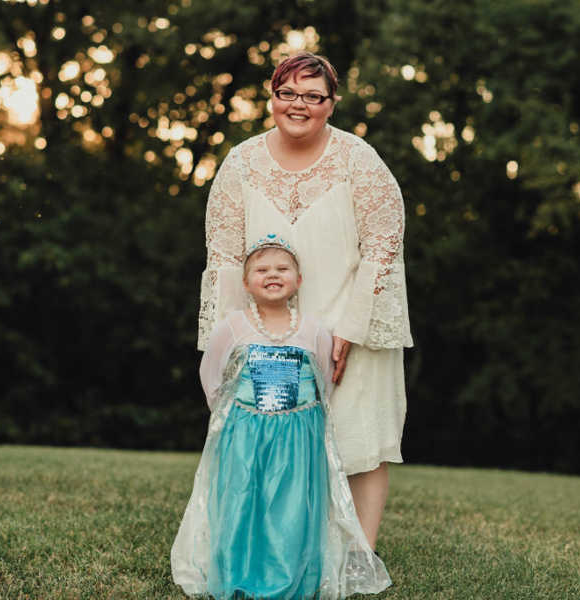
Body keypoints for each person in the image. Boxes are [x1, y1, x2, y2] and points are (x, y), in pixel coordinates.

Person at [198, 52, 412, 552]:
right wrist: (238, 336)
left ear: (331, 104)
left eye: (313, 96)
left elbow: (384, 245)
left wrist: (351, 329)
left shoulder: (359, 160)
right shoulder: (241, 163)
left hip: (348, 325)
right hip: (270, 334)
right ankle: (284, 550)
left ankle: (360, 555)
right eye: (288, 93)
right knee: (273, 443)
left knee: (360, 440)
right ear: (271, 97)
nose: (299, 105)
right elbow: (225, 255)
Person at [172, 235, 390, 599]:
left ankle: (293, 577)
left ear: (298, 280)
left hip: (297, 435)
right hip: (244, 431)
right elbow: (212, 374)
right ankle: (240, 572)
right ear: (246, 282)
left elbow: (323, 378)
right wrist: (233, 415)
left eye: (282, 268)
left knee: (291, 506)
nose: (272, 275)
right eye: (261, 269)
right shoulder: (232, 327)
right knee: (244, 500)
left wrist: (303, 416)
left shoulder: (313, 331)